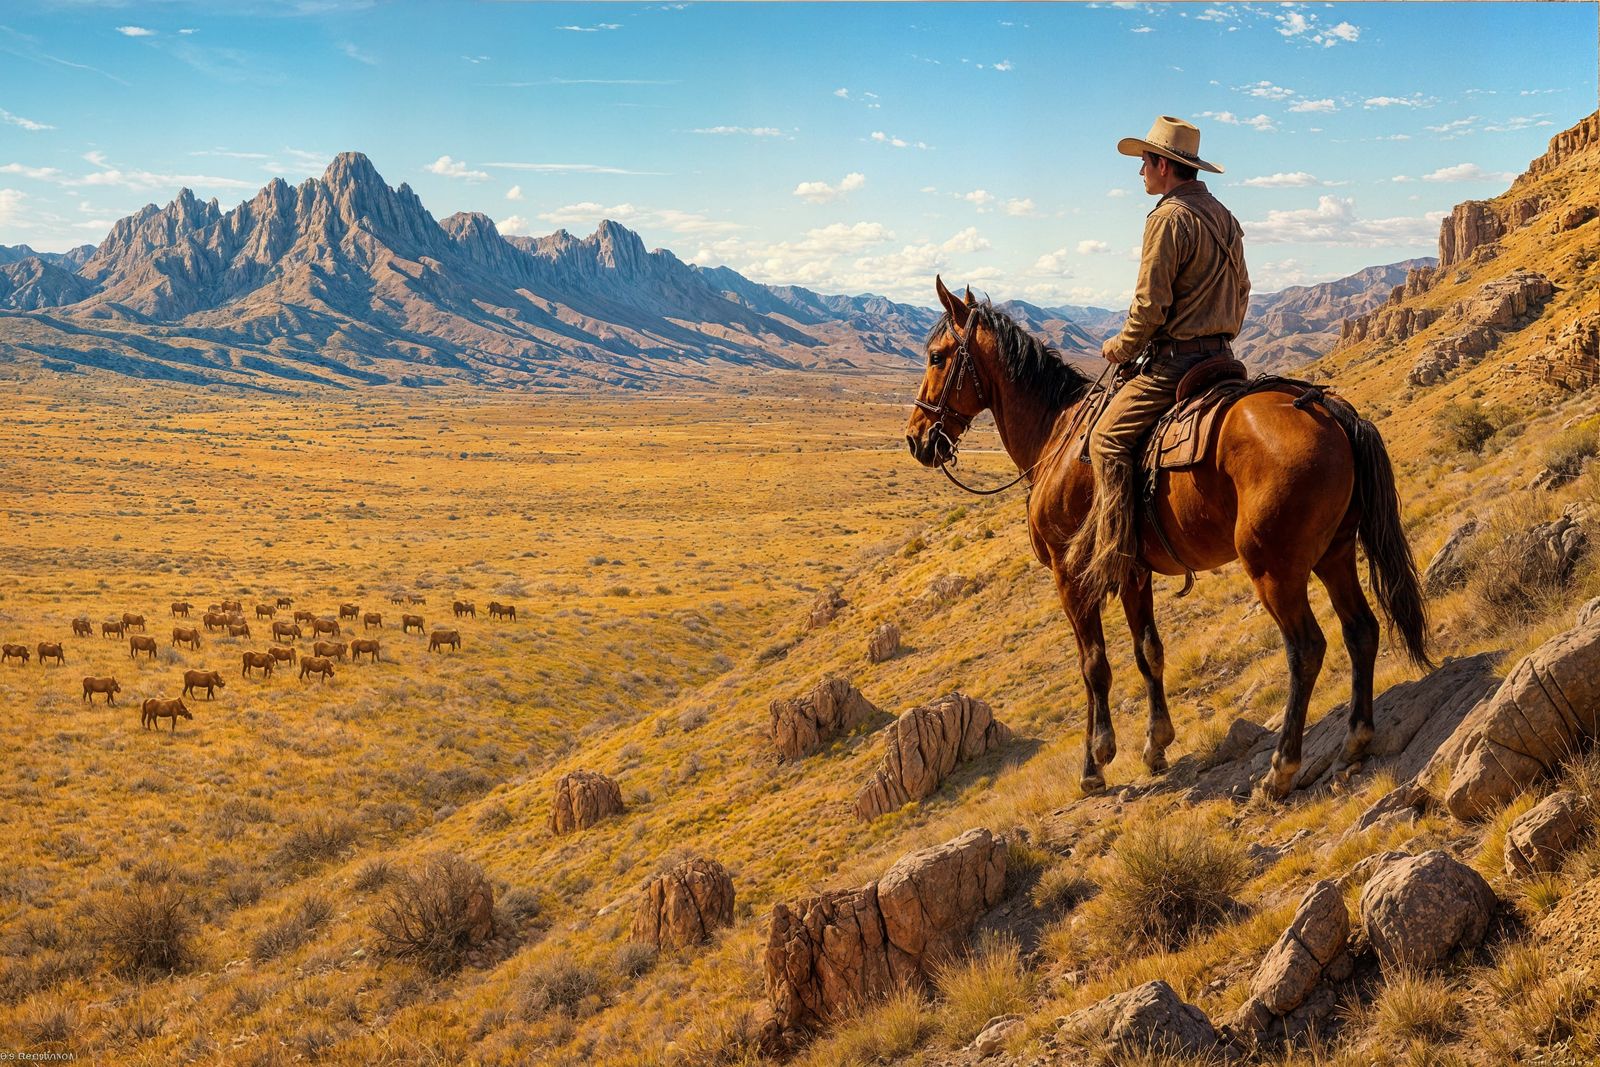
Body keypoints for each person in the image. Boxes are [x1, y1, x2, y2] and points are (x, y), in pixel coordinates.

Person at [1065, 115, 1251, 602]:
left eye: (1145, 162)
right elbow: (1244, 291)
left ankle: (1115, 552)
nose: (1140, 172)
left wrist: (1119, 347)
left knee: (1105, 440)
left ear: (1165, 165)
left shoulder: (1169, 217)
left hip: (1176, 365)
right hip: (1223, 358)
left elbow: (1150, 306)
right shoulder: (1224, 216)